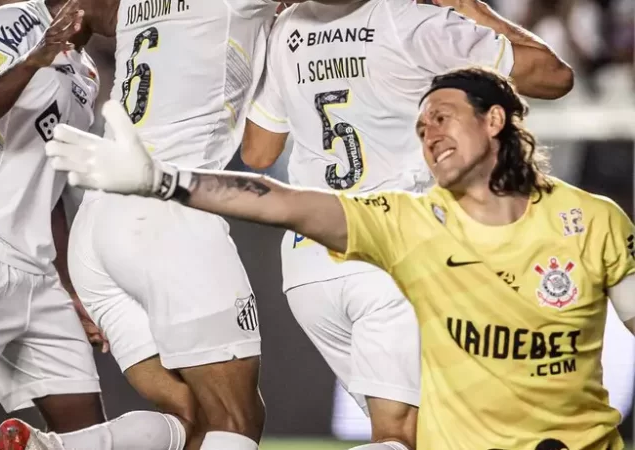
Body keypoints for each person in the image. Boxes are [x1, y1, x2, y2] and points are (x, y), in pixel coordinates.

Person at [45, 66, 635, 450]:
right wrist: (163, 179)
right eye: (421, 124)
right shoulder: (410, 221)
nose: (427, 132)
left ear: (495, 120)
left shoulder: (595, 220)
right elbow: (281, 202)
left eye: (442, 117)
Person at [238, 0, 573, 447]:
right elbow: (554, 76)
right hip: (393, 255)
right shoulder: (413, 23)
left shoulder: (286, 30)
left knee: (440, 433)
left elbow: (258, 153)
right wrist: (471, 9)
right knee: (404, 435)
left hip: (310, 266)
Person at [64, 0, 371, 449]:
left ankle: (58, 447)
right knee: (236, 420)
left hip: (96, 223)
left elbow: (91, 12)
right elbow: (259, 154)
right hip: (167, 211)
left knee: (189, 417)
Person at [0, 1, 185, 450]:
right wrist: (35, 57)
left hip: (38, 273)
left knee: (88, 438)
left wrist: (73, 289)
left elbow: (48, 192)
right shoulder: (11, 22)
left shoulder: (87, 76)